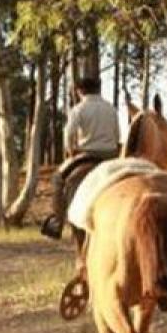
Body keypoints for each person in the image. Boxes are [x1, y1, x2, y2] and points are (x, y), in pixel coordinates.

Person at [40, 75, 120, 240]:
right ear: (98, 89)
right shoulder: (111, 109)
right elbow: (117, 134)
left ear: (79, 91)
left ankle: (57, 222)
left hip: (87, 154)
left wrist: (70, 150)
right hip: (111, 154)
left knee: (57, 179)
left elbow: (68, 133)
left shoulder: (79, 109)